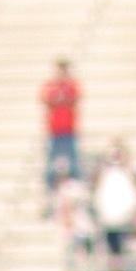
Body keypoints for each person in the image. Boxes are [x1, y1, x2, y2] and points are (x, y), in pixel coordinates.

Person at [92, 145, 136, 271]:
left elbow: (133, 194)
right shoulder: (106, 174)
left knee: (124, 250)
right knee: (114, 251)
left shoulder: (127, 173)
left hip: (124, 218)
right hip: (110, 219)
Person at [40, 61, 83, 189]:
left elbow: (73, 98)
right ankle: (50, 190)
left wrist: (59, 98)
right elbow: (46, 99)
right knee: (51, 162)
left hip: (69, 130)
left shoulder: (72, 85)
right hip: (54, 130)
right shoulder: (50, 85)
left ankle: (76, 188)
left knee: (74, 162)